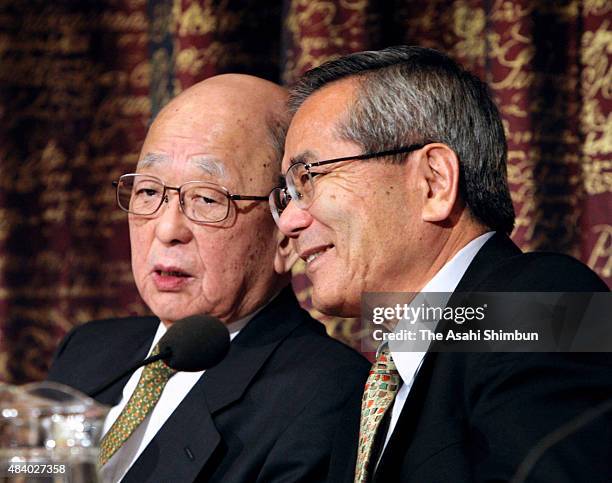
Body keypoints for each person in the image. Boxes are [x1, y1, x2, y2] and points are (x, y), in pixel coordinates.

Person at [270, 46, 611, 482]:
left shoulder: (542, 306)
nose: (291, 221)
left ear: (434, 181)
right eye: (286, 196)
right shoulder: (372, 395)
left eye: (309, 179)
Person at [47, 74, 370, 483]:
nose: (167, 229)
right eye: (149, 192)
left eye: (206, 198)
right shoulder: (90, 350)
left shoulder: (325, 396)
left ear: (285, 235)